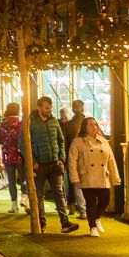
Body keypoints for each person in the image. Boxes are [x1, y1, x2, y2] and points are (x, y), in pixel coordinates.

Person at [27, 96, 79, 233]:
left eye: (50, 108)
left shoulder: (54, 122)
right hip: (40, 165)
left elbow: (61, 140)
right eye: (46, 108)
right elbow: (24, 144)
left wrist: (61, 158)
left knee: (59, 192)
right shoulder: (31, 123)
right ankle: (41, 224)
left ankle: (65, 222)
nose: (49, 110)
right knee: (39, 195)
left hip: (55, 163)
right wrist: (33, 161)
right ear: (39, 108)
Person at [67, 116, 121, 236]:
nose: (93, 127)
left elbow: (111, 160)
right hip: (87, 176)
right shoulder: (78, 141)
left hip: (102, 176)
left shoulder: (103, 141)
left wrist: (115, 177)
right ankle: (93, 228)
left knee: (105, 200)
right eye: (90, 125)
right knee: (90, 202)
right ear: (84, 127)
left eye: (95, 124)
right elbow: (72, 160)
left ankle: (96, 218)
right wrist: (74, 177)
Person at [62, 99, 89, 216]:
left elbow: (65, 143)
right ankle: (84, 208)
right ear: (82, 108)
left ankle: (73, 204)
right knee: (86, 181)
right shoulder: (90, 123)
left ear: (72, 109)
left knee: (73, 180)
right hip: (88, 156)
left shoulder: (68, 125)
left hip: (71, 156)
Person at [0, 102, 24, 213]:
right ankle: (25, 198)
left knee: (11, 181)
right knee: (23, 178)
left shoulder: (3, 124)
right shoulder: (21, 123)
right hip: (20, 154)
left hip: (8, 155)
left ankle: (14, 205)